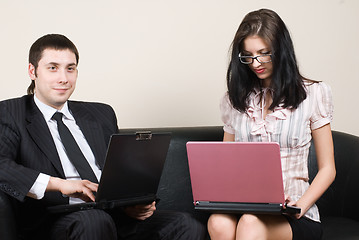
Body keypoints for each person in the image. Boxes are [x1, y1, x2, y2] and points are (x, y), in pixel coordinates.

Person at [0, 34, 205, 240]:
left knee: (185, 225)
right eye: (52, 68)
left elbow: (121, 172)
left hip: (113, 215)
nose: (63, 78)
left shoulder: (101, 114)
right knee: (95, 221)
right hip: (55, 220)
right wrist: (60, 184)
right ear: (32, 71)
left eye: (70, 68)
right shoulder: (11, 112)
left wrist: (132, 203)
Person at [207, 9, 336, 240]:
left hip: (295, 211)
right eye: (248, 56)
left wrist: (300, 206)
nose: (256, 63)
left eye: (264, 53)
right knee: (218, 222)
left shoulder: (314, 94)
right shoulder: (233, 101)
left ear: (281, 51)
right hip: (247, 206)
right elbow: (226, 166)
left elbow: (328, 169)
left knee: (250, 224)